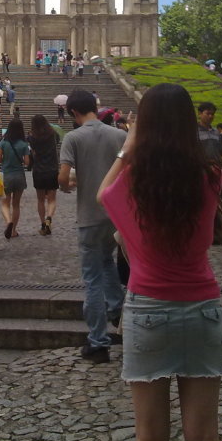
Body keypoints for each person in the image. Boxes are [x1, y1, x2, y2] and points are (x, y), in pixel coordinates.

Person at [97, 83, 222, 441]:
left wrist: (128, 147)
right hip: (203, 308)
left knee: (150, 434)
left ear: (145, 126)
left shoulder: (134, 181)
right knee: (203, 432)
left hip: (148, 308)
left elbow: (103, 195)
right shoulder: (212, 176)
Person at [59, 88, 127, 363]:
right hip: (116, 216)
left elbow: (63, 176)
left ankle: (98, 341)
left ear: (74, 112)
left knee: (92, 278)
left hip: (89, 216)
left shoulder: (73, 137)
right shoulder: (120, 135)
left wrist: (69, 185)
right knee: (108, 261)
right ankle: (118, 310)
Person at [0, 118, 31, 240]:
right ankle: (14, 230)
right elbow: (27, 163)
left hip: (7, 175)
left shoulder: (3, 142)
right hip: (19, 176)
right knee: (16, 204)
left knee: (5, 203)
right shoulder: (23, 144)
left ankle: (8, 222)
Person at [27, 115, 59, 236]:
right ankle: (49, 218)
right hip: (52, 169)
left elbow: (32, 152)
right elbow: (57, 142)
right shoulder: (53, 134)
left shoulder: (32, 138)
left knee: (40, 200)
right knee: (52, 199)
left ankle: (42, 224)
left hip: (39, 170)